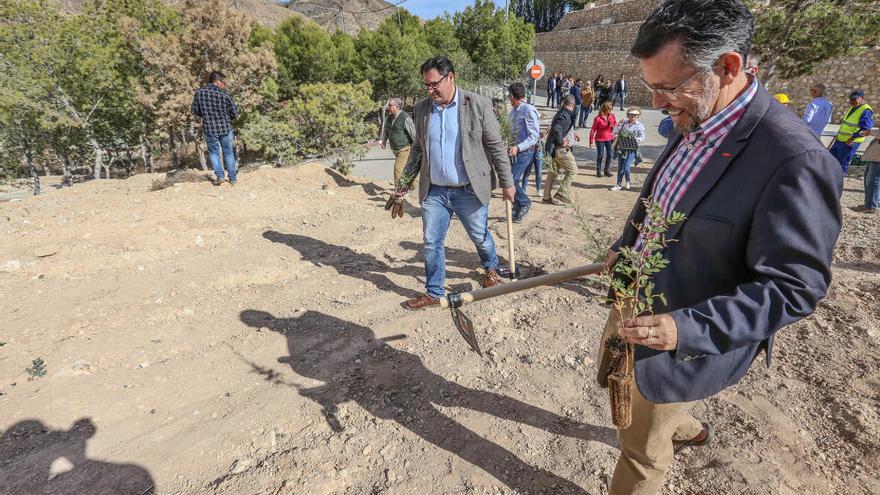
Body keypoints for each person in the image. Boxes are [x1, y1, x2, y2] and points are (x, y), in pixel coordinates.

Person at [598, 1, 842, 494]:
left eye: (668, 88)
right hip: (635, 296)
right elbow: (661, 195)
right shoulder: (696, 115)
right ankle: (683, 426)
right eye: (651, 87)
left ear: (727, 67)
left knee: (640, 449)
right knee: (616, 379)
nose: (659, 104)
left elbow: (794, 287)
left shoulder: (794, 160)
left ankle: (663, 432)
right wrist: (627, 243)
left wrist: (684, 328)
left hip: (676, 335)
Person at [394, 56, 515, 310]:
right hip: (435, 190)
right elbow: (417, 150)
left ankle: (490, 267)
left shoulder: (478, 105)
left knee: (480, 236)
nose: (429, 90)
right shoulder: (423, 109)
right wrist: (403, 184)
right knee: (431, 241)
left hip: (469, 190)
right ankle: (434, 292)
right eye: (426, 85)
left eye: (434, 84)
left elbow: (496, 147)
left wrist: (507, 182)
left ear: (451, 77)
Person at [191, 71, 238, 186]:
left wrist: (206, 115)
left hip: (210, 128)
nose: (224, 85)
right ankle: (232, 179)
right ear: (217, 82)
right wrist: (226, 117)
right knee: (228, 153)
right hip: (225, 128)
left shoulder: (199, 93)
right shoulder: (225, 95)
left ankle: (220, 177)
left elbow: (195, 110)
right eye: (223, 82)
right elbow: (235, 114)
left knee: (214, 153)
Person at [507, 82, 541, 223]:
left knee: (512, 180)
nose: (508, 99)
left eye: (509, 96)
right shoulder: (512, 113)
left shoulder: (528, 110)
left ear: (512, 96)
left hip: (525, 152)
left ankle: (525, 202)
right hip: (513, 152)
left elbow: (534, 136)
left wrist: (518, 147)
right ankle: (516, 209)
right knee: (508, 180)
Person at [542, 95, 579, 205]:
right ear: (572, 105)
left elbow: (560, 128)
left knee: (552, 173)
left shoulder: (562, 113)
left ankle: (546, 197)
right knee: (573, 170)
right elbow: (558, 129)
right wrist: (562, 142)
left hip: (553, 149)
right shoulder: (564, 115)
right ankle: (562, 193)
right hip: (560, 149)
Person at [830, 90, 874, 174]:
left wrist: (851, 139)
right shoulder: (853, 107)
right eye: (850, 99)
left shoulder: (866, 110)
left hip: (849, 143)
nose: (851, 101)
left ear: (862, 98)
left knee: (841, 165)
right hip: (840, 140)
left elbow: (866, 129)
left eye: (854, 99)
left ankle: (837, 184)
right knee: (831, 161)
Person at [381, 97, 416, 185]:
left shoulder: (405, 118)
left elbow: (414, 134)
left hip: (404, 149)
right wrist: (384, 141)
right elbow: (386, 131)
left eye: (390, 105)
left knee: (398, 169)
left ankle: (398, 192)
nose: (388, 107)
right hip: (395, 149)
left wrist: (418, 148)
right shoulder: (389, 118)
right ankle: (413, 186)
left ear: (396, 106)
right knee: (405, 169)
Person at [610, 107, 646, 191]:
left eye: (634, 115)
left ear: (638, 116)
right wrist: (619, 124)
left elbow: (642, 137)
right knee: (620, 167)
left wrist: (635, 140)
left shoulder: (639, 125)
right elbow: (614, 132)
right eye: (631, 115)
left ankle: (628, 181)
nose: (632, 116)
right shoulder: (623, 123)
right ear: (628, 115)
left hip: (632, 148)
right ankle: (618, 184)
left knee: (626, 167)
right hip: (621, 147)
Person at [855, 128, 880, 213]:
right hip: (875, 155)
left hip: (877, 157)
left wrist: (871, 132)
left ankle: (871, 205)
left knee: (872, 181)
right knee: (869, 179)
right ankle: (872, 203)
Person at [590, 101, 617, 177]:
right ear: (605, 109)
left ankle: (606, 170)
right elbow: (593, 130)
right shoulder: (597, 118)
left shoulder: (612, 116)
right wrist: (591, 141)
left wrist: (615, 132)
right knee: (600, 155)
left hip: (609, 138)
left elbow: (616, 125)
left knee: (609, 154)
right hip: (600, 139)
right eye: (609, 109)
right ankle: (598, 171)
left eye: (611, 109)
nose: (611, 110)